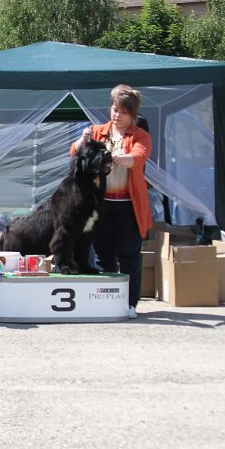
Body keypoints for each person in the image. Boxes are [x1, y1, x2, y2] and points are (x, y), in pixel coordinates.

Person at [71, 84, 152, 319]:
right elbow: (75, 152)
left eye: (123, 112)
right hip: (101, 203)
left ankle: (130, 303)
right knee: (102, 254)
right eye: (115, 109)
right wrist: (82, 139)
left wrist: (111, 157)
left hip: (129, 205)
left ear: (133, 115)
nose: (117, 115)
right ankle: (106, 300)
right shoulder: (97, 132)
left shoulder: (140, 135)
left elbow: (137, 158)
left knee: (129, 254)